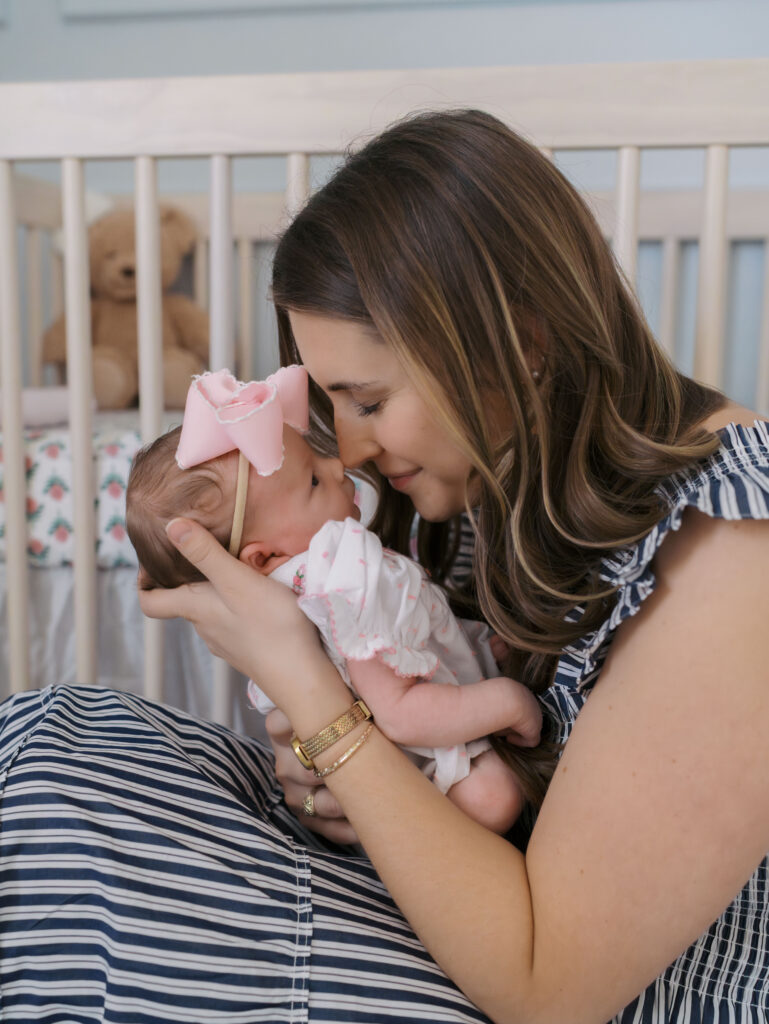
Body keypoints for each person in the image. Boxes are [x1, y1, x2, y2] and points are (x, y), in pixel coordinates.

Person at [1, 109, 767, 1024]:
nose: (350, 451)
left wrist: (307, 689)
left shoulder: (734, 549)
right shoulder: (501, 481)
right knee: (58, 741)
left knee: (50, 819)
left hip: (591, 992)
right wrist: (333, 774)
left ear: (518, 344)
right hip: (478, 902)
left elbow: (551, 989)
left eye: (366, 400)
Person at [124, 366, 545, 834]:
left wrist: (480, 644)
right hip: (415, 762)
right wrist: (509, 700)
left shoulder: (307, 587)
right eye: (313, 482)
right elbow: (401, 714)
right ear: (264, 556)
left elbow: (414, 638)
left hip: (379, 757)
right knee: (493, 796)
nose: (338, 464)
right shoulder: (341, 583)